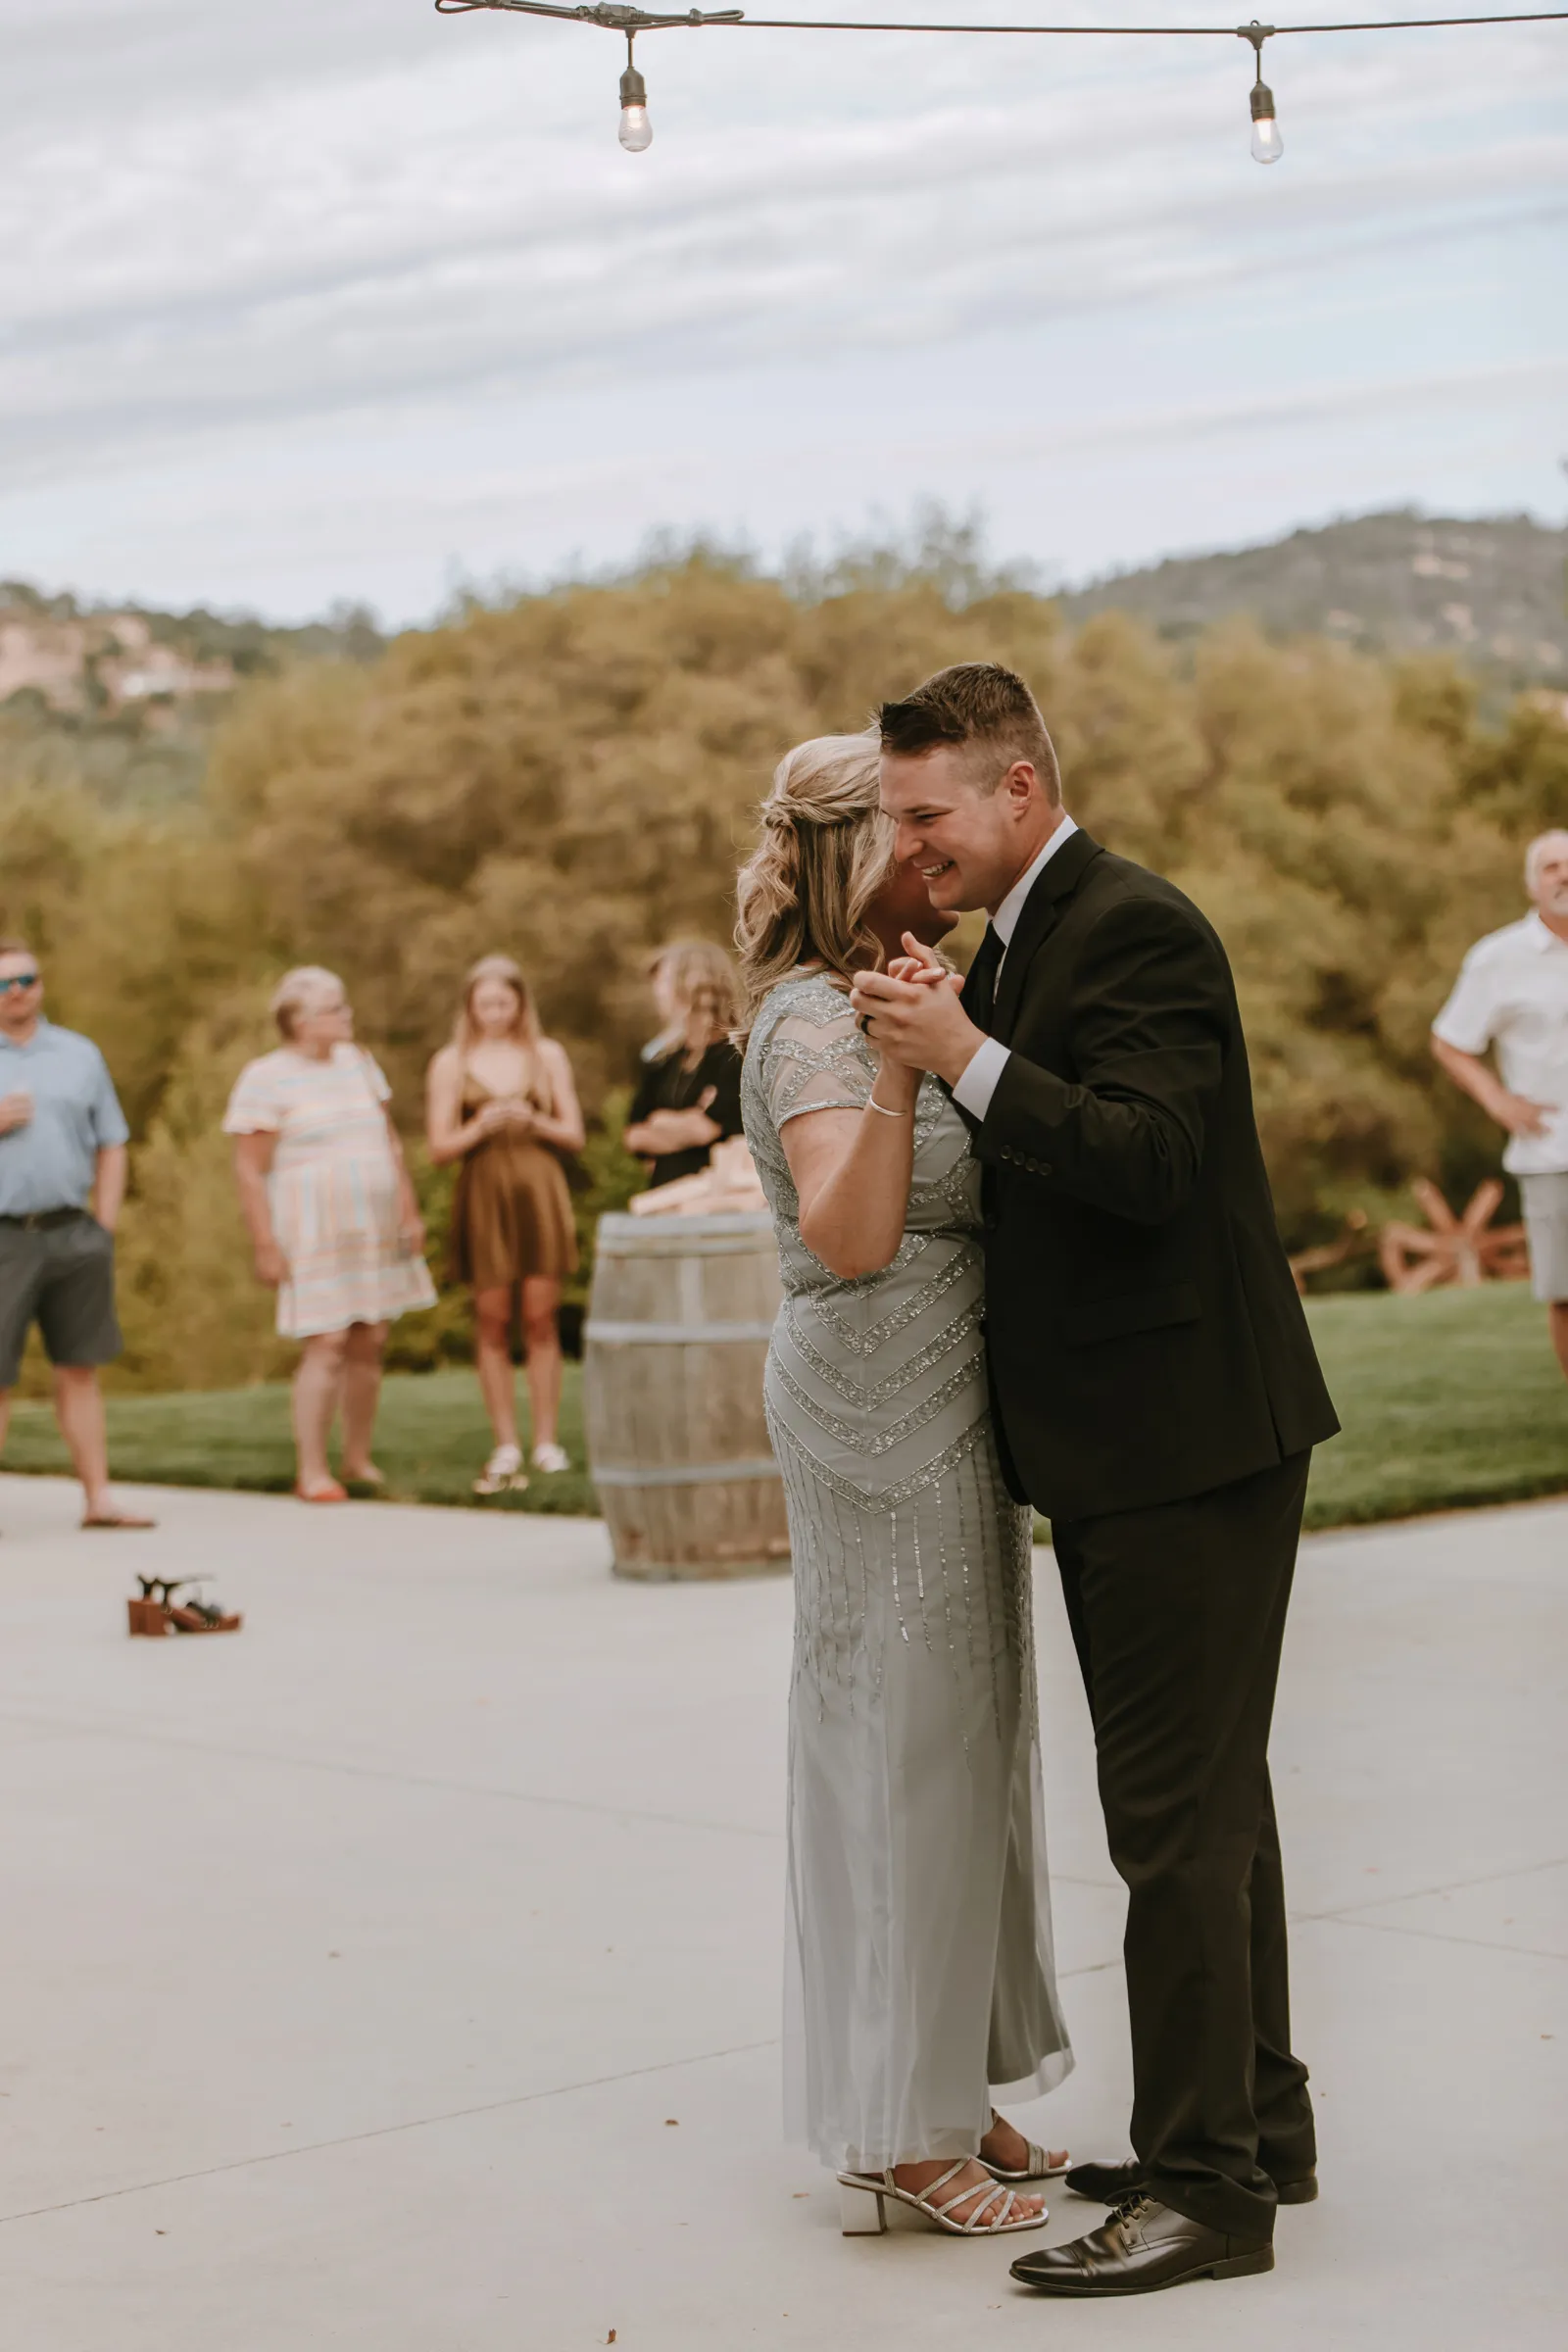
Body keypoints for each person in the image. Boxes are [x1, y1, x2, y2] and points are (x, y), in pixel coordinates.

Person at [851, 662, 1340, 2297]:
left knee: (1172, 1830)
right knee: (1215, 1807)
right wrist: (967, 1026)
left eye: (926, 812)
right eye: (894, 818)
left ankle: (1207, 2194)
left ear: (1019, 787)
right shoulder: (1019, 939)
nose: (908, 845)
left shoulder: (1135, 927)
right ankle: (1257, 2128)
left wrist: (964, 1056)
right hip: (1140, 1440)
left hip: (1185, 1438)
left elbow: (1150, 1159)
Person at [736, 733, 1073, 2244]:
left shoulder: (911, 991)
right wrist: (894, 1057)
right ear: (843, 857)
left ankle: (947, 2075)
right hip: (871, 1403)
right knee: (900, 1741)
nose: (934, 853)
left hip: (950, 1396)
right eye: (905, 832)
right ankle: (896, 2125)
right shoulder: (815, 1022)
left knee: (969, 1737)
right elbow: (853, 1234)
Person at [225, 966, 435, 1502]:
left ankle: (357, 1458)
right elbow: (249, 1168)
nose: (347, 1015)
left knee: (371, 1337)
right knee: (327, 1341)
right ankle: (312, 1469)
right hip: (313, 1227)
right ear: (300, 1021)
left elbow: (389, 1140)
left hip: (373, 1223)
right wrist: (265, 1243)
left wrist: (409, 1212)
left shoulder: (359, 1063)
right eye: (335, 1009)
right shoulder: (265, 1077)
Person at [0, 940, 154, 1529]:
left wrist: (104, 1223)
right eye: (4, 984)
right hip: (5, 1237)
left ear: (41, 984)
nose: (17, 993)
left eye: (26, 980)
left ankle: (98, 1499)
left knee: (80, 1367)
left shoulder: (79, 1054)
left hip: (73, 1233)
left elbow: (112, 1140)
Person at [426, 955, 585, 1490]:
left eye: (504, 1002)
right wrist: (481, 1126)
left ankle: (546, 1442)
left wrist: (532, 1120)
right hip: (484, 1194)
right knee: (491, 1320)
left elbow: (573, 1134)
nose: (495, 1012)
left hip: (539, 1190)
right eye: (485, 1003)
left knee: (541, 1319)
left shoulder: (547, 1054)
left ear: (520, 1003)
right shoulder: (450, 1062)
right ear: (470, 1007)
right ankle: (505, 1444)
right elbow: (439, 1148)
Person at [1431, 829, 1568, 1385]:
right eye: (1551, 867)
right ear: (1531, 884)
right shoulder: (1498, 958)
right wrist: (1498, 1101)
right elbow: (1450, 1041)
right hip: (1553, 1153)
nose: (1564, 875)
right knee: (1566, 1293)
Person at [622, 941, 745, 1193]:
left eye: (664, 981)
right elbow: (633, 1137)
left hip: (721, 1197)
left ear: (694, 984)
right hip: (665, 1194)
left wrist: (659, 1121)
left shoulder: (735, 1055)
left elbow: (707, 1129)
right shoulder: (660, 1059)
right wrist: (687, 1121)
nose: (657, 991)